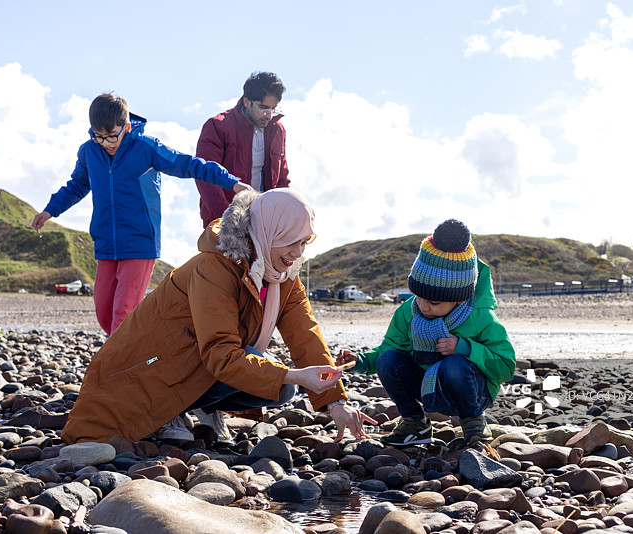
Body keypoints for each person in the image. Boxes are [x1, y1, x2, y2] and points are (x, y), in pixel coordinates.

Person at [61, 188, 375, 445]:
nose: (298, 253)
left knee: (282, 389)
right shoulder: (214, 268)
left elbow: (305, 333)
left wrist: (336, 402)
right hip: (148, 370)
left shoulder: (282, 274)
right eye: (291, 240)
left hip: (200, 364)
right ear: (268, 230)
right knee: (283, 379)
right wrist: (290, 373)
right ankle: (171, 408)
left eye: (304, 241)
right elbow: (221, 353)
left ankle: (203, 405)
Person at [32, 93, 251, 335]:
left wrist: (232, 183)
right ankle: (144, 348)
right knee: (105, 316)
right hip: (106, 243)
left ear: (126, 127)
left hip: (140, 242)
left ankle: (118, 369)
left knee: (123, 314)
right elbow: (77, 185)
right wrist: (50, 210)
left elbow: (190, 164)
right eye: (99, 136)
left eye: (112, 136)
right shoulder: (88, 152)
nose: (106, 143)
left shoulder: (147, 148)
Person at [336, 219, 515, 447]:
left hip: (472, 392)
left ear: (460, 298)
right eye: (418, 295)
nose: (423, 306)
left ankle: (473, 423)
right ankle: (415, 423)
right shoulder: (409, 310)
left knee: (455, 364)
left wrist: (465, 347)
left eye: (433, 301)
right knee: (388, 360)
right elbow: (391, 348)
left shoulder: (480, 317)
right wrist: (359, 361)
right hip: (429, 388)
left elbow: (506, 367)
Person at [195, 72, 289, 228]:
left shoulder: (278, 131)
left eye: (273, 109)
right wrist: (226, 220)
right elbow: (206, 178)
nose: (268, 115)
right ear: (247, 102)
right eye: (263, 108)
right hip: (222, 222)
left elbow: (282, 180)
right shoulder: (217, 126)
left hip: (265, 222)